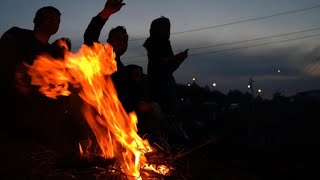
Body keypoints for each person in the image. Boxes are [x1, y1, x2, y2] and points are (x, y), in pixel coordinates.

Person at [0, 6, 79, 156]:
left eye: (57, 19)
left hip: (45, 126)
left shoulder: (54, 53)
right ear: (36, 19)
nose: (53, 21)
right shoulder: (16, 36)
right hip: (13, 120)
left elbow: (62, 85)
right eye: (48, 16)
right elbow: (9, 67)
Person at [83, 0, 128, 106]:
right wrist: (106, 12)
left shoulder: (121, 68)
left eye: (124, 40)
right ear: (108, 41)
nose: (121, 42)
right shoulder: (100, 56)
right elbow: (90, 36)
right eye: (117, 38)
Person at [143, 16, 188, 117]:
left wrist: (179, 59)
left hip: (167, 89)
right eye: (165, 27)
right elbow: (159, 63)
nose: (168, 31)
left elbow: (168, 68)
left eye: (168, 28)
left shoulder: (165, 43)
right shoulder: (154, 42)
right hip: (159, 90)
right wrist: (174, 59)